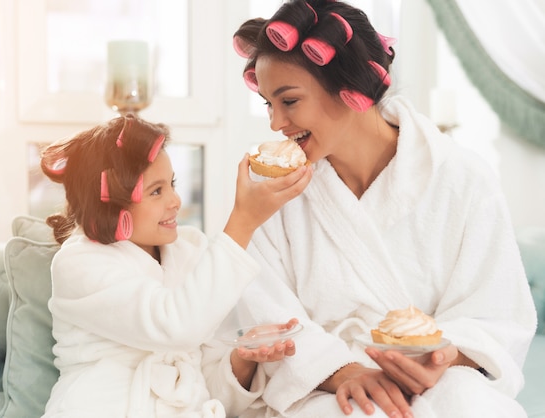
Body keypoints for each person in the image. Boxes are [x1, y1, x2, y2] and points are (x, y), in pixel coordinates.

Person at [203, 1, 538, 417]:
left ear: (351, 88)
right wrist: (342, 371)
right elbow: (269, 314)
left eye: (288, 101)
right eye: (268, 105)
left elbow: (497, 314)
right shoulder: (275, 192)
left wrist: (441, 358)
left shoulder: (461, 176)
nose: (275, 124)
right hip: (327, 382)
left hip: (443, 376)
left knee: (473, 407)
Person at [38, 114, 312, 417]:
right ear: (111, 204)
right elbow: (176, 325)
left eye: (172, 184)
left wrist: (243, 360)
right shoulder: (79, 263)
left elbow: (207, 392)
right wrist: (243, 221)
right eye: (156, 191)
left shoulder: (187, 250)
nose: (176, 201)